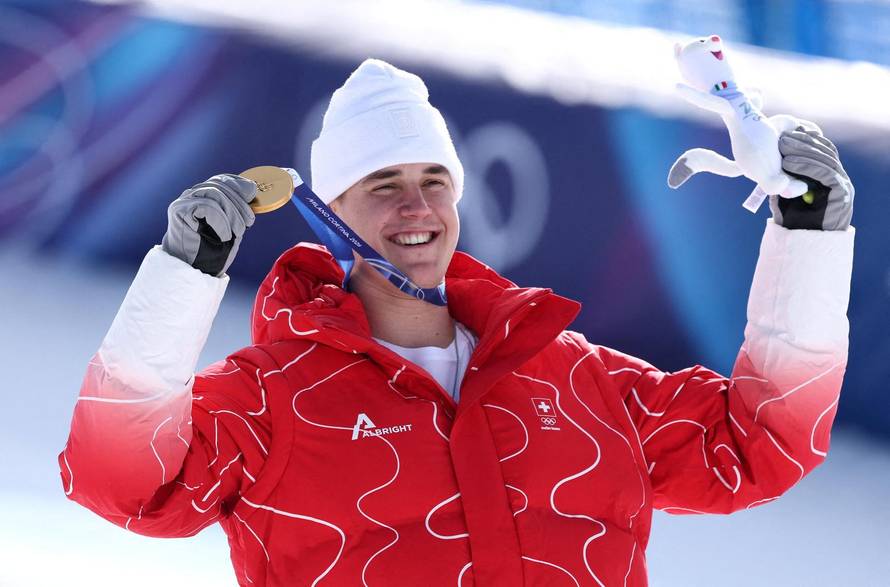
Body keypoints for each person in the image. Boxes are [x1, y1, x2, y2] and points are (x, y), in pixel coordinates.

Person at [59, 59, 855, 586]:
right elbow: (123, 481)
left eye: (434, 180)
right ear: (329, 215)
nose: (417, 207)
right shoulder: (271, 400)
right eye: (383, 185)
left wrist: (811, 238)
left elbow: (761, 441)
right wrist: (180, 275)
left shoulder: (578, 377)